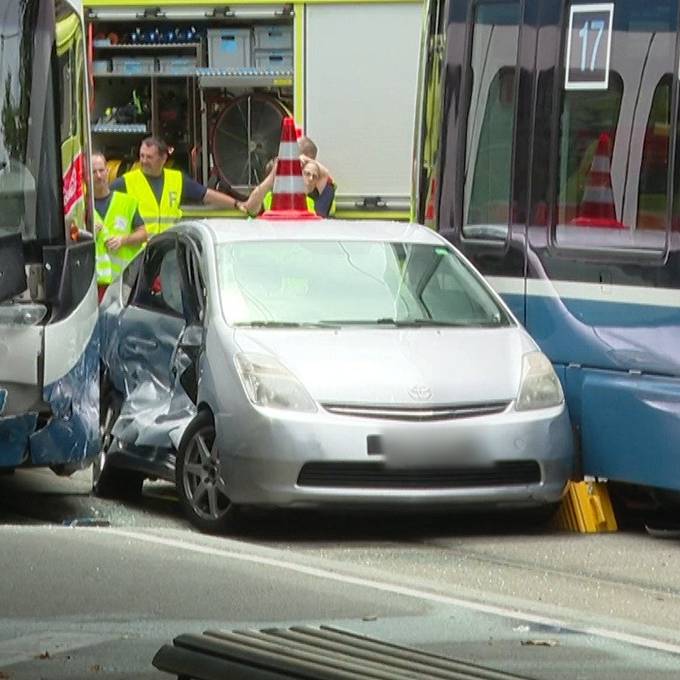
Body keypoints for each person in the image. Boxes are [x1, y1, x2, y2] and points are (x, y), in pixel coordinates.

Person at [111, 136, 245, 236]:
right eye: (142, 156)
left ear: (163, 159)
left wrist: (237, 204)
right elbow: (102, 197)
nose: (144, 161)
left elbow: (206, 195)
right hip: (140, 252)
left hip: (168, 249)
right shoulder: (126, 182)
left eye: (149, 157)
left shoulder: (177, 179)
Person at [92, 151, 147, 302]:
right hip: (93, 284)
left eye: (101, 170)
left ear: (107, 171)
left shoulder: (127, 202)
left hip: (124, 283)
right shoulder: (82, 206)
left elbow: (143, 234)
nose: (98, 176)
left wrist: (123, 240)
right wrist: (88, 234)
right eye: (93, 172)